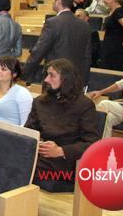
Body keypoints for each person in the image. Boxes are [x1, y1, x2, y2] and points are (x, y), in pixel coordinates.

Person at [26, 59, 99, 191]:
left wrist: (61, 151)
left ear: (66, 79)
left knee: (20, 168)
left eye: (51, 75)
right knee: (9, 159)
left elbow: (92, 143)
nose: (46, 80)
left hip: (66, 168)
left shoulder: (84, 105)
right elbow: (29, 131)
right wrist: (38, 143)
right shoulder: (40, 102)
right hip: (39, 156)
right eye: (46, 75)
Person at [23, 0, 91, 86]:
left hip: (55, 77)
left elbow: (39, 51)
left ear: (58, 1)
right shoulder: (84, 25)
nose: (52, 2)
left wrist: (23, 74)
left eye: (53, 0)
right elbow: (87, 56)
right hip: (75, 79)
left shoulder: (52, 23)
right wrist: (83, 82)